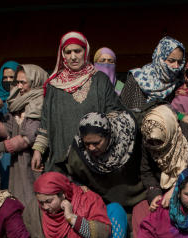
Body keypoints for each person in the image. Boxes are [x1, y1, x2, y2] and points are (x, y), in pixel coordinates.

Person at [32, 31, 124, 171]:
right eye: (68, 52)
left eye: (77, 51)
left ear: (85, 52)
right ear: (63, 55)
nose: (73, 57)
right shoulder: (54, 85)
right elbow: (45, 121)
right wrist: (38, 151)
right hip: (61, 160)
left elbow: (115, 114)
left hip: (95, 160)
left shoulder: (100, 80)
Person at [31, 171, 126, 238]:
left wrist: (72, 218)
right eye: (41, 202)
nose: (45, 207)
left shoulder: (86, 199)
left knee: (115, 209)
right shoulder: (36, 210)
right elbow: (22, 235)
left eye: (49, 201)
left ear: (62, 194)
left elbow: (103, 235)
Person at [60, 110, 146, 208]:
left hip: (143, 199)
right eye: (87, 143)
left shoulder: (127, 136)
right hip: (107, 206)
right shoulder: (79, 154)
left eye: (96, 143)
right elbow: (69, 175)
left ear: (109, 135)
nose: (91, 148)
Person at [2, 64, 48, 208]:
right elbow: (7, 130)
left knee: (36, 204)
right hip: (17, 164)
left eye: (23, 82)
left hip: (34, 163)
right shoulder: (17, 103)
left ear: (35, 82)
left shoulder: (41, 104)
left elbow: (30, 136)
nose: (19, 86)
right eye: (18, 82)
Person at [119, 36, 185, 114]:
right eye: (171, 61)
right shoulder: (137, 79)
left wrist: (180, 117)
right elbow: (129, 113)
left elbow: (179, 114)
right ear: (159, 59)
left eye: (180, 62)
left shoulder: (179, 82)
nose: (176, 66)